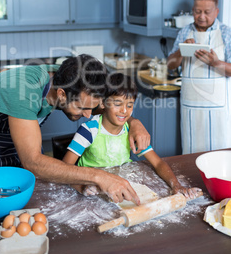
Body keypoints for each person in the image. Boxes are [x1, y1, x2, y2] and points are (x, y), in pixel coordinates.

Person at [0, 54, 150, 204]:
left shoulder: (73, 82)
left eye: (91, 107)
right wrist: (99, 176)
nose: (88, 115)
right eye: (82, 108)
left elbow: (111, 108)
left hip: (24, 136)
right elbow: (34, 163)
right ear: (61, 94)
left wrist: (134, 122)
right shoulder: (23, 90)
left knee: (28, 193)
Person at [63, 73, 198, 199]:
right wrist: (82, 187)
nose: (124, 111)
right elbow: (65, 168)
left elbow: (158, 163)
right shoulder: (89, 131)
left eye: (129, 105)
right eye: (117, 104)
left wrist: (176, 185)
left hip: (119, 189)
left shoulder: (132, 132)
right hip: (92, 192)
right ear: (103, 103)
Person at [167, 0, 231, 154]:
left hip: (217, 107)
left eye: (207, 12)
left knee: (218, 153)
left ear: (216, 12)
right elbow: (170, 65)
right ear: (192, 10)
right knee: (190, 151)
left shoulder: (226, 33)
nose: (201, 16)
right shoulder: (184, 32)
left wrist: (215, 63)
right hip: (191, 105)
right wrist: (181, 51)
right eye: (197, 11)